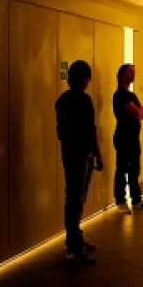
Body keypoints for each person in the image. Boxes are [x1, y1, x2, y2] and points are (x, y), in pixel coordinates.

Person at [55, 59, 103, 263]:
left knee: (73, 197)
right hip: (82, 154)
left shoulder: (62, 100)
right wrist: (98, 155)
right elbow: (91, 129)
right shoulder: (84, 100)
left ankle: (74, 239)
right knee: (77, 198)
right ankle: (74, 246)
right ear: (85, 79)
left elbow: (61, 132)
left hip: (70, 153)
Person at [112, 63, 143, 214]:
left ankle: (136, 200)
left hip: (134, 138)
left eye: (134, 72)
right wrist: (138, 111)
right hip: (123, 137)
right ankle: (120, 201)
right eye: (130, 71)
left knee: (135, 169)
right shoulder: (120, 95)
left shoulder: (131, 95)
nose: (133, 74)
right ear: (122, 74)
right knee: (122, 169)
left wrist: (138, 111)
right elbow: (137, 113)